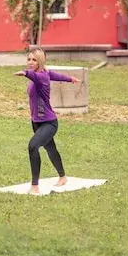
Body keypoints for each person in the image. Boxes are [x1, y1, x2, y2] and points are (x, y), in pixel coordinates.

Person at [14, 48, 80, 194]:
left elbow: (34, 76)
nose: (30, 62)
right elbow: (56, 75)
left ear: (40, 61)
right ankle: (63, 177)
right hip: (36, 122)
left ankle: (34, 186)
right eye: (29, 59)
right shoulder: (46, 73)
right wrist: (70, 79)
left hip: (49, 123)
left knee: (33, 146)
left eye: (34, 60)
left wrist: (25, 73)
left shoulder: (41, 76)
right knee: (51, 149)